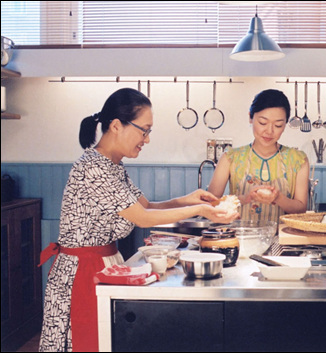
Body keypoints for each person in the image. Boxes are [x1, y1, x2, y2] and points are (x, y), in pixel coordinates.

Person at [38, 88, 239, 352]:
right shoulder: (93, 168)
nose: (146, 139)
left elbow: (146, 206)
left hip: (102, 264)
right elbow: (143, 218)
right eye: (143, 130)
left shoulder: (112, 164)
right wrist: (200, 211)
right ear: (116, 126)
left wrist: (191, 199)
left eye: (149, 132)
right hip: (81, 273)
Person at [208, 89, 309, 225]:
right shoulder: (230, 158)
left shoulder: (298, 160)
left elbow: (301, 209)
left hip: (282, 241)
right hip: (240, 239)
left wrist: (278, 198)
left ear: (285, 125)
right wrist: (245, 198)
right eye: (262, 123)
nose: (269, 131)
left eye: (278, 125)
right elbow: (211, 204)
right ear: (250, 117)